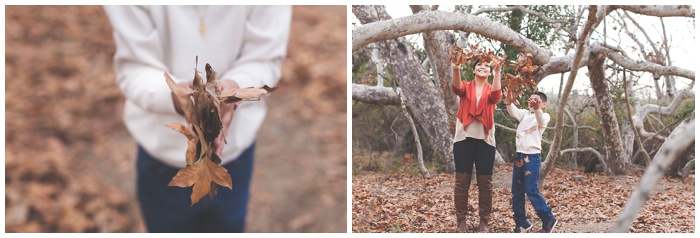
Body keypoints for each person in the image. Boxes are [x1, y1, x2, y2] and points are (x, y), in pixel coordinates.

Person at [104, 6, 291, 232]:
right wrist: (177, 97)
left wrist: (233, 89)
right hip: (161, 159)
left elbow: (265, 57)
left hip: (232, 156)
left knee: (228, 226)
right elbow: (135, 68)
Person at [451, 54, 506, 233]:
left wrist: (498, 70)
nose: (483, 66)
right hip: (463, 139)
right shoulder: (466, 87)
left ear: (489, 72)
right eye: (479, 64)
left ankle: (484, 222)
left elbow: (497, 96)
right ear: (474, 69)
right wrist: (456, 67)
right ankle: (461, 221)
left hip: (485, 141)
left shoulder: (491, 89)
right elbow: (456, 88)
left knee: (485, 183)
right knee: (461, 183)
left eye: (487, 65)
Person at [503, 89, 558, 233]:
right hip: (519, 157)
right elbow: (513, 111)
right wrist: (508, 100)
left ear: (543, 104)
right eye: (530, 99)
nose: (531, 102)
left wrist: (537, 109)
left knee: (531, 189)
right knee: (517, 191)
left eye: (536, 100)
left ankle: (548, 218)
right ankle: (522, 222)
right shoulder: (525, 114)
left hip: (532, 157)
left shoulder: (544, 116)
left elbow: (541, 120)